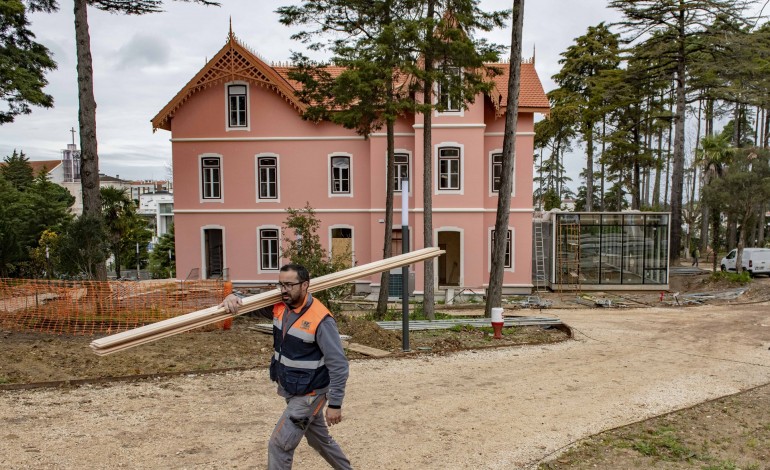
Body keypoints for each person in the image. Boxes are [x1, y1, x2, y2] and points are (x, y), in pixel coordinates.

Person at [220, 264, 352, 470]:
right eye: (280, 284)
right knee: (319, 440)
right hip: (293, 387)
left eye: (289, 285)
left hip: (310, 394)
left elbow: (339, 364)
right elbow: (248, 304)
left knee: (279, 445)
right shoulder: (280, 306)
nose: (283, 290)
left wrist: (335, 404)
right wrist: (232, 296)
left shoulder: (321, 319)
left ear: (305, 285)